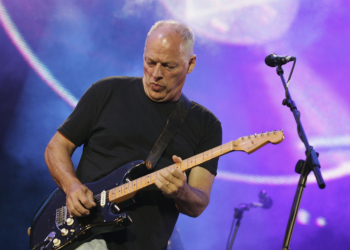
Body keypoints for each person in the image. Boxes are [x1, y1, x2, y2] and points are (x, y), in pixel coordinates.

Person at [45, 20, 222, 250]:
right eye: (150, 62)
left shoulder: (206, 125)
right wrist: (72, 187)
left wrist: (183, 191)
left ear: (190, 64)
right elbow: (56, 147)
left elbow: (198, 205)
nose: (156, 74)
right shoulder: (106, 91)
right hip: (82, 237)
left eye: (168, 66)